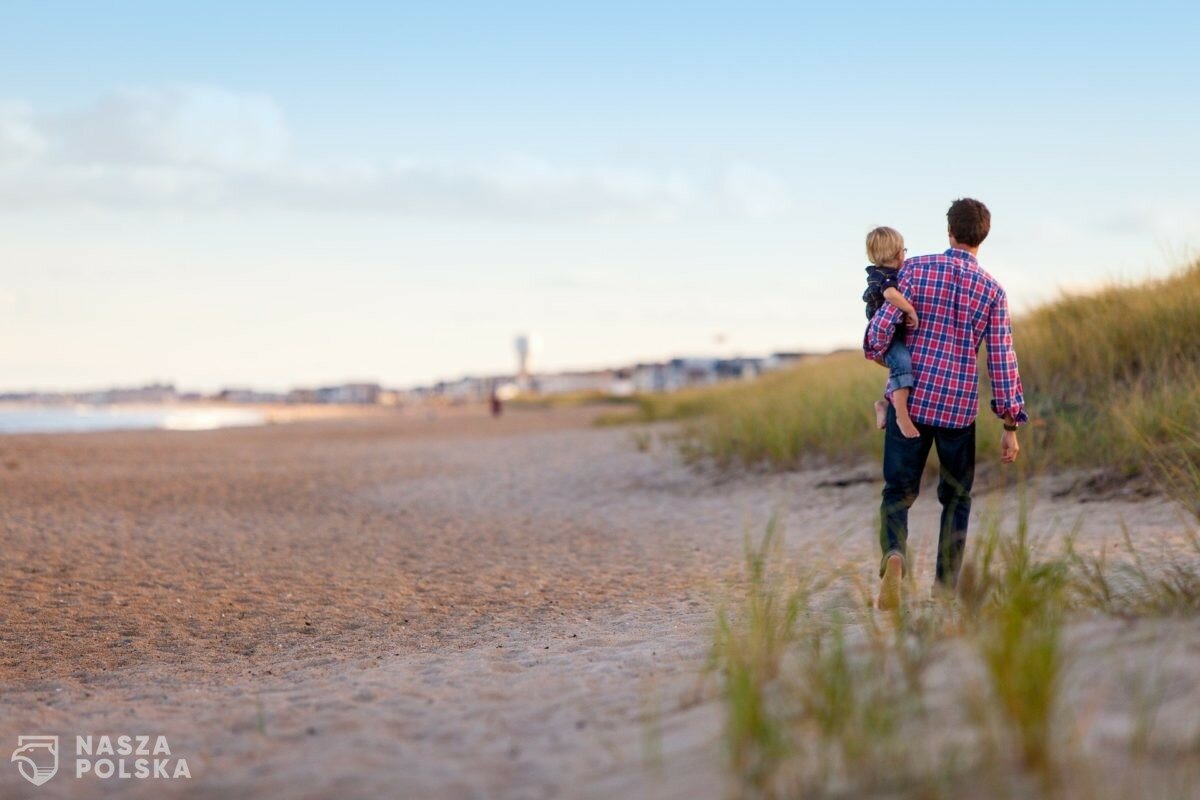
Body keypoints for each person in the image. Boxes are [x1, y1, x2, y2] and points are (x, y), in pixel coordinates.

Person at [864, 198, 1027, 610]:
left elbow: (880, 330)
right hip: (958, 409)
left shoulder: (915, 269)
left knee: (897, 494)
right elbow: (1002, 359)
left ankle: (895, 556)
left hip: (913, 401)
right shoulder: (992, 290)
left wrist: (879, 348)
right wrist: (1010, 425)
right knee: (956, 498)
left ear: (949, 230)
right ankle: (945, 588)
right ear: (982, 236)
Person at [862, 226, 921, 439]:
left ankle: (885, 404)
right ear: (898, 253)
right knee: (903, 362)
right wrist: (909, 309)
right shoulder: (883, 276)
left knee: (901, 367)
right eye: (904, 250)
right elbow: (890, 295)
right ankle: (901, 417)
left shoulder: (890, 273)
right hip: (885, 337)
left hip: (894, 334)